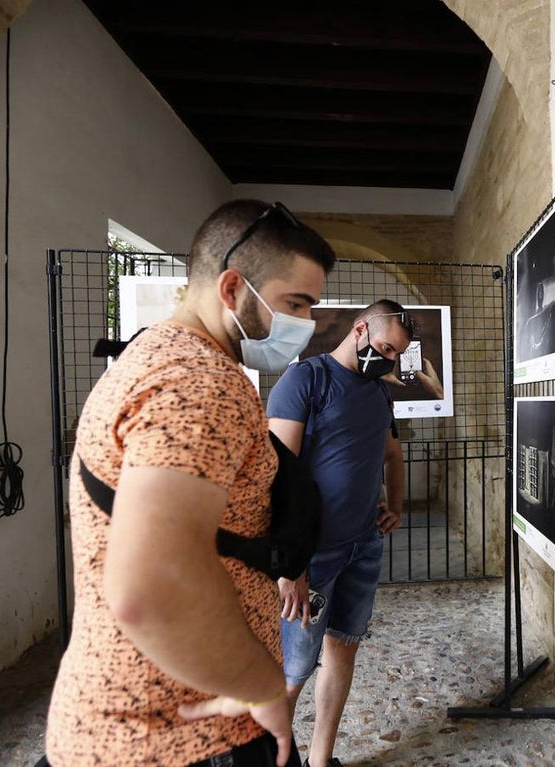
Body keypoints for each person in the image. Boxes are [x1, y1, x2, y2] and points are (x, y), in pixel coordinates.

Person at [43, 199, 335, 767]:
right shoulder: (200, 383)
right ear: (232, 289)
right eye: (295, 303)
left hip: (154, 716)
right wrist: (263, 686)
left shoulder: (158, 356)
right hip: (184, 735)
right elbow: (153, 588)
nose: (305, 322)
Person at [266, 301, 413, 767]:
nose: (388, 360)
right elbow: (277, 477)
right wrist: (290, 564)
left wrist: (396, 504)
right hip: (313, 554)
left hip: (363, 545)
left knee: (343, 649)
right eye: (386, 347)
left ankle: (320, 760)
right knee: (294, 671)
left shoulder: (379, 393)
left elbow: (391, 454)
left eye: (397, 355)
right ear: (360, 329)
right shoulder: (305, 381)